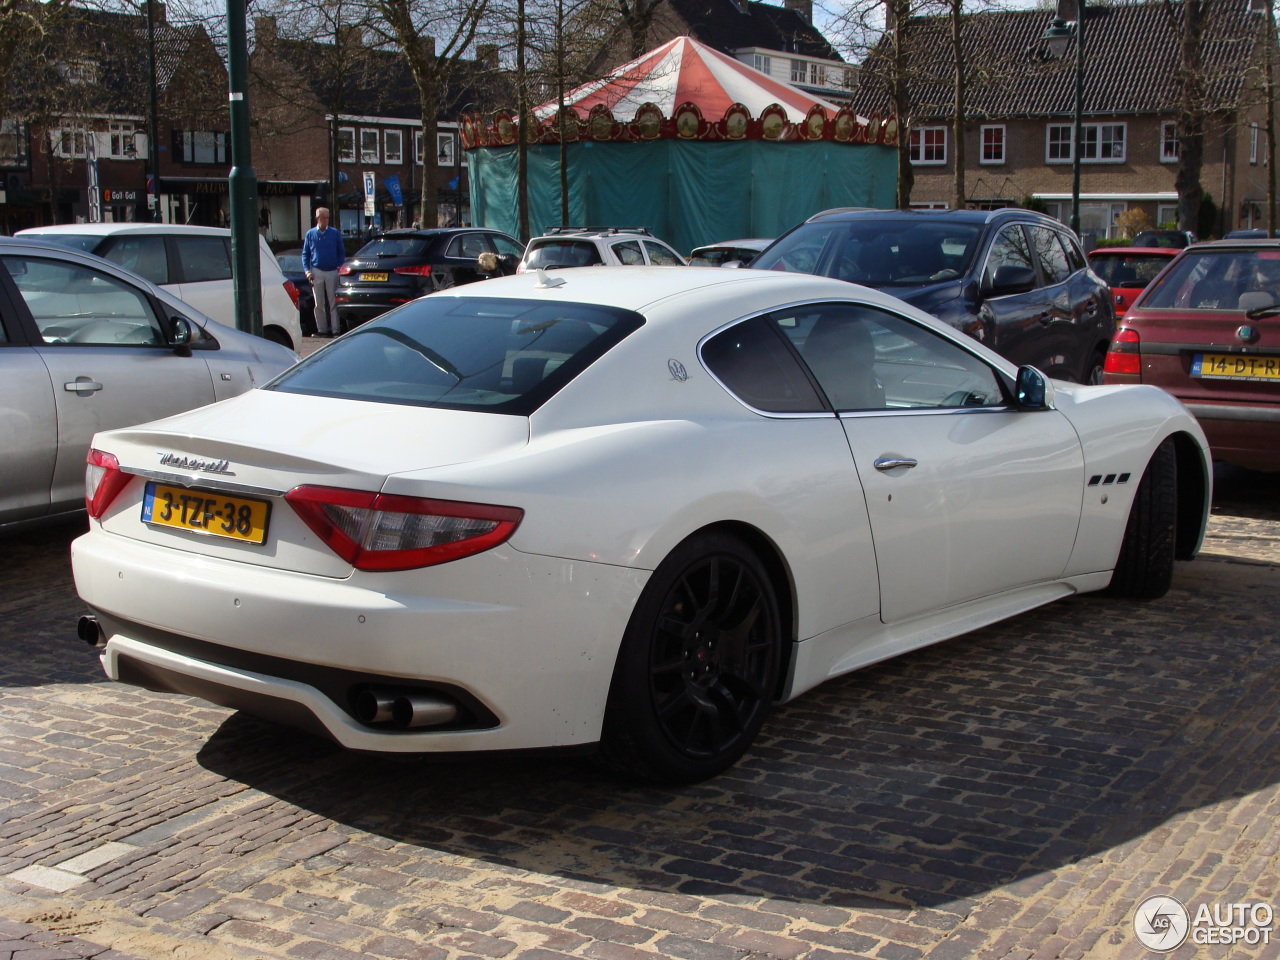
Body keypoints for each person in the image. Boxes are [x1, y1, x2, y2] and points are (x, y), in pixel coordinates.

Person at [302, 207, 345, 337]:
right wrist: (307, 271)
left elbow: (341, 251)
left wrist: (338, 267)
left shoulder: (334, 233)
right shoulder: (310, 234)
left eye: (327, 217)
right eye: (323, 217)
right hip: (317, 270)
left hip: (332, 270)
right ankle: (322, 330)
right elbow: (306, 254)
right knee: (319, 303)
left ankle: (336, 330)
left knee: (333, 302)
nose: (326, 220)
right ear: (317, 219)